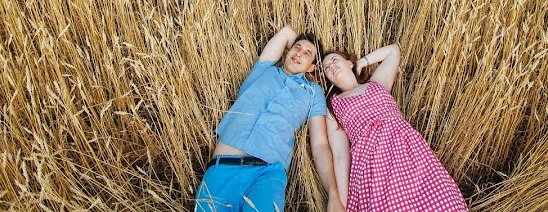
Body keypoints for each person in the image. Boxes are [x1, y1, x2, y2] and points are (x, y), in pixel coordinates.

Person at [194, 26, 343, 212]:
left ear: (313, 67)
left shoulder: (313, 93)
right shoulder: (263, 70)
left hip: (266, 175)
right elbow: (287, 32)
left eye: (307, 53)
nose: (299, 53)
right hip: (222, 169)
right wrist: (300, 47)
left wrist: (333, 195)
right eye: (296, 47)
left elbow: (320, 144)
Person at [320, 44, 468, 211]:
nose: (331, 66)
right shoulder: (333, 105)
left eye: (334, 60)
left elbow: (394, 50)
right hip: (372, 159)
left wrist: (361, 62)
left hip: (409, 150)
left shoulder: (377, 83)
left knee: (442, 199)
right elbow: (340, 156)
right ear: (328, 78)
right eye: (326, 68)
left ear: (349, 63)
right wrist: (342, 203)